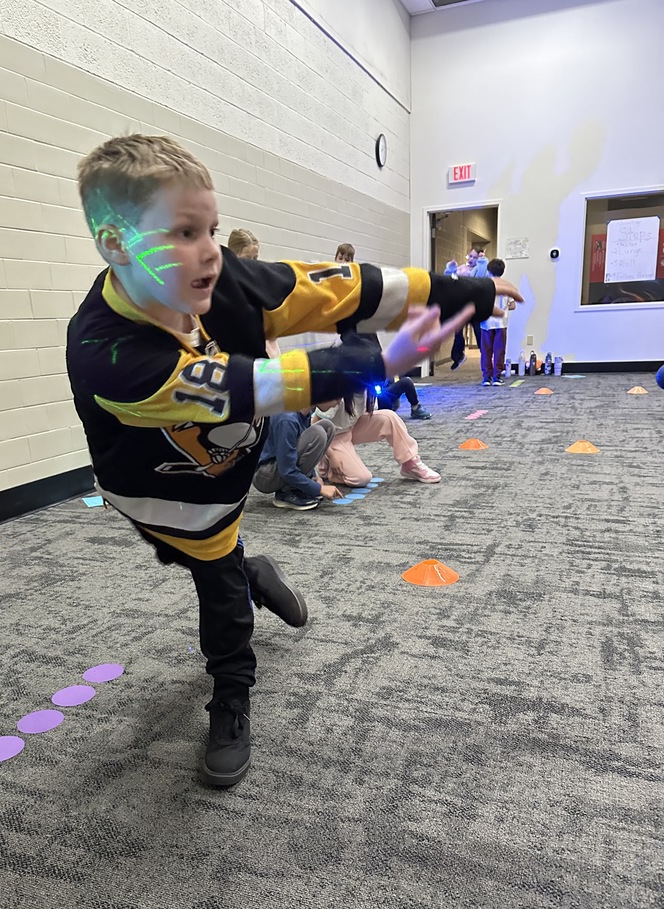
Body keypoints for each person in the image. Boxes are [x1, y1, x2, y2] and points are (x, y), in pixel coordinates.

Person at [67, 134, 521, 787]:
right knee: (188, 556)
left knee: (215, 585)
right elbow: (256, 385)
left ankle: (231, 696)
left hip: (218, 493)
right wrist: (387, 359)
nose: (207, 253)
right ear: (116, 243)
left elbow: (334, 288)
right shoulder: (104, 352)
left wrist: (460, 294)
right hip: (145, 495)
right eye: (182, 232)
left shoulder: (224, 277)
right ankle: (254, 570)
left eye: (212, 230)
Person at [335, 244, 431, 420]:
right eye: (340, 258)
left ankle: (412, 405)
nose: (342, 262)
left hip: (367, 349)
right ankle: (411, 405)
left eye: (346, 259)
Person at [314, 392, 440, 488]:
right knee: (361, 478)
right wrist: (331, 455)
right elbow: (314, 425)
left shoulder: (368, 385)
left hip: (351, 427)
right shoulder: (340, 386)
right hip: (333, 436)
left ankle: (410, 464)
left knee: (389, 417)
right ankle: (328, 466)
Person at [253, 412, 341, 510]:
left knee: (327, 427)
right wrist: (319, 489)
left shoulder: (303, 412)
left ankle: (297, 487)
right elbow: (286, 470)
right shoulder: (287, 419)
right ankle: (286, 493)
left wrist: (313, 477)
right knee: (318, 433)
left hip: (278, 467)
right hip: (265, 476)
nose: (337, 402)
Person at [228, 228, 280, 357]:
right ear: (233, 256)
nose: (252, 264)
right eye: (247, 258)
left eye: (255, 258)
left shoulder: (258, 283)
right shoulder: (226, 288)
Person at [445, 245, 489, 369]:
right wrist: (451, 268)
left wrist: (482, 261)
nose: (471, 259)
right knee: (457, 331)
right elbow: (450, 279)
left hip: (475, 306)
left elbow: (480, 279)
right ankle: (458, 356)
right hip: (461, 305)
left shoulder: (481, 269)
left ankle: (486, 360)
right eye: (470, 256)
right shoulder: (462, 268)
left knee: (479, 333)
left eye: (474, 257)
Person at [479, 257, 516, 386]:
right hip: (501, 323)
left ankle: (486, 377)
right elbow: (513, 305)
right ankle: (497, 377)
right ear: (502, 271)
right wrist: (504, 308)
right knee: (499, 350)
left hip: (486, 323)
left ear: (489, 271)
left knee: (486, 351)